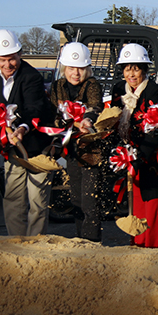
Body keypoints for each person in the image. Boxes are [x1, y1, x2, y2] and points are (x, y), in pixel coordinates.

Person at [0, 29, 55, 237]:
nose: (7, 65)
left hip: (37, 146)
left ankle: (35, 245)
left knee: (37, 201)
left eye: (12, 59)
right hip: (11, 148)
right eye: (2, 60)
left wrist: (22, 128)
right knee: (13, 199)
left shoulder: (31, 77)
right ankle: (16, 243)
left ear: (20, 54)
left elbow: (34, 108)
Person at [109, 44, 158, 248]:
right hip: (126, 160)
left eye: (136, 68)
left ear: (145, 69)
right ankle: (137, 248)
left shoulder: (155, 91)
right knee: (134, 210)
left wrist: (139, 156)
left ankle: (154, 250)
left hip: (149, 160)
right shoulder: (118, 90)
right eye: (127, 68)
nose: (131, 74)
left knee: (151, 209)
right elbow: (111, 122)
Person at [49, 42, 103, 242]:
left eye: (80, 68)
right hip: (68, 148)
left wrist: (87, 119)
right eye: (71, 68)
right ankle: (80, 240)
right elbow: (53, 113)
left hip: (89, 148)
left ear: (87, 68)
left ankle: (92, 242)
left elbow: (95, 106)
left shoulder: (92, 85)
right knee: (77, 199)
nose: (76, 73)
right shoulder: (57, 87)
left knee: (90, 200)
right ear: (65, 68)